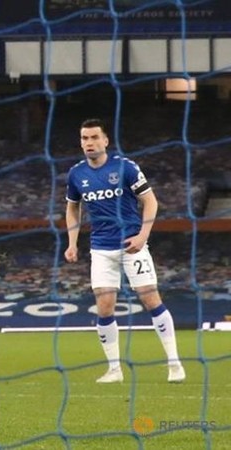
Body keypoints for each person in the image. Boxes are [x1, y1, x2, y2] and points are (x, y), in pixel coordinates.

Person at [64, 118, 185, 384]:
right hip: (100, 249)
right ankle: (114, 370)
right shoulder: (76, 174)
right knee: (104, 308)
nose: (89, 143)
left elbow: (151, 201)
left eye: (94, 137)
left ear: (105, 141)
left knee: (150, 300)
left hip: (132, 246)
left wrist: (143, 236)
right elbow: (73, 207)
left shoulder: (126, 167)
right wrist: (72, 242)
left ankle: (175, 364)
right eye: (85, 138)